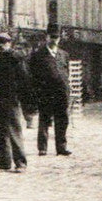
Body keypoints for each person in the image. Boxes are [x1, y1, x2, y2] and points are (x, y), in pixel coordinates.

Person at [29, 25, 72, 156]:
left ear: (60, 38)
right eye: (52, 37)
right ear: (46, 37)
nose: (54, 40)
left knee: (62, 120)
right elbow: (33, 75)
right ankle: (42, 147)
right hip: (45, 93)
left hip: (61, 94)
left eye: (57, 37)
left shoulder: (64, 55)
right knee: (44, 119)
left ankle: (61, 147)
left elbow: (66, 73)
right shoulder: (38, 55)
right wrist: (37, 92)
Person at [0, 33, 31, 173]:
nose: (1, 46)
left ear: (9, 43)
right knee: (1, 129)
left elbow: (24, 78)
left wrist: (22, 96)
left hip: (12, 97)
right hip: (1, 96)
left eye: (3, 43)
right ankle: (4, 161)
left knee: (14, 129)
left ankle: (20, 162)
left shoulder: (15, 58)